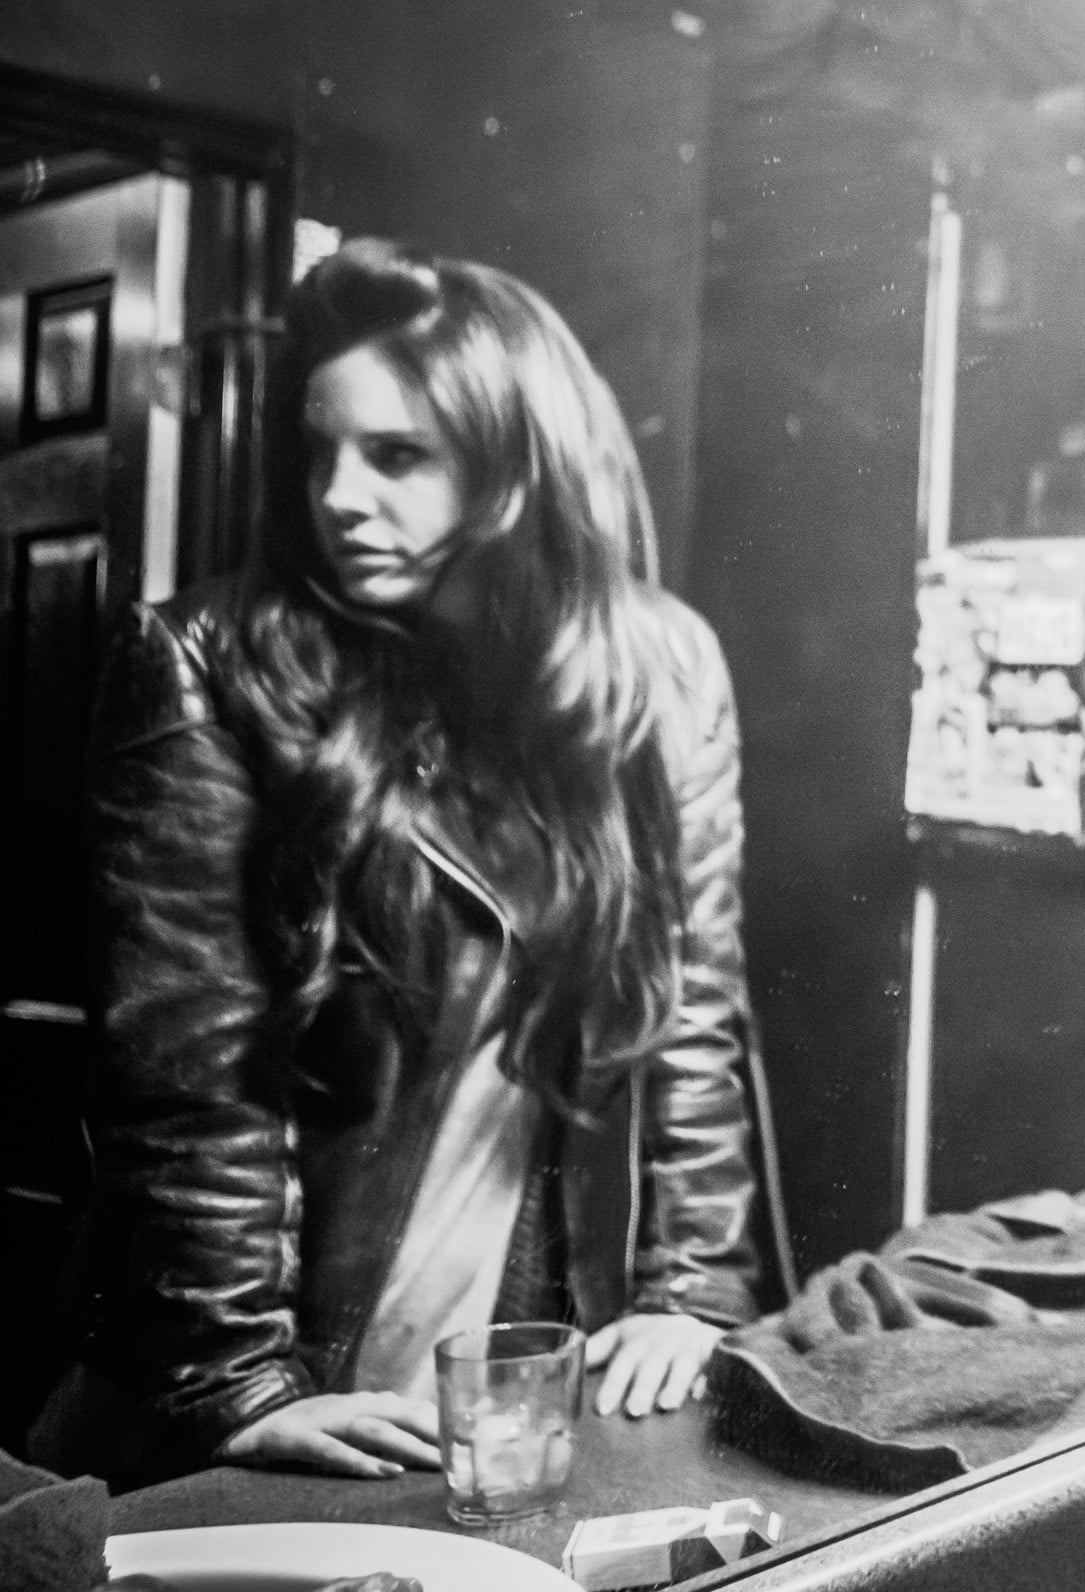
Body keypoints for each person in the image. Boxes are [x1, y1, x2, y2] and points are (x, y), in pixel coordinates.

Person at [34, 240, 760, 1486]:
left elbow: (693, 1009)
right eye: (319, 450)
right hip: (291, 1375)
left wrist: (691, 1292)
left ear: (514, 460)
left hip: (533, 1353)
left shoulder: (663, 669)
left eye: (398, 455)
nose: (339, 496)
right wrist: (237, 1383)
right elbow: (192, 1069)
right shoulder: (210, 659)